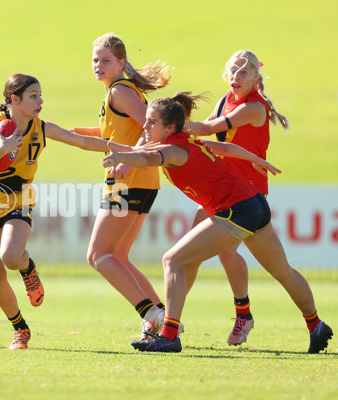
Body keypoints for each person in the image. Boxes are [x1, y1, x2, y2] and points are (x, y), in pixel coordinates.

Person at [101, 92, 333, 353]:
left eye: (151, 122)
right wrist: (254, 159)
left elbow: (147, 159)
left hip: (237, 210)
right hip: (255, 203)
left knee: (173, 260)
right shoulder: (188, 140)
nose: (145, 126)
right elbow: (223, 148)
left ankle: (168, 335)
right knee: (283, 272)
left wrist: (122, 156)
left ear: (170, 127)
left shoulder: (173, 149)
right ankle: (316, 324)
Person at [0, 73, 161, 349]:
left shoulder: (41, 128)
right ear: (14, 100)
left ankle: (27, 268)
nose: (40, 101)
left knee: (10, 257)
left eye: (40, 95)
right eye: (33, 96)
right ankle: (20, 329)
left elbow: (83, 142)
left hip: (18, 200)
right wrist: (3, 148)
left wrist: (129, 151)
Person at [184, 50, 290, 346]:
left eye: (243, 72)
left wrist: (168, 123)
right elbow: (200, 135)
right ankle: (171, 319)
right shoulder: (223, 101)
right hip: (219, 188)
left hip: (247, 194)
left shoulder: (254, 107)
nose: (235, 77)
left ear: (256, 77)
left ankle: (246, 315)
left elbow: (206, 129)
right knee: (189, 254)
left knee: (232, 255)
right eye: (232, 70)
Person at [71, 33, 173, 338]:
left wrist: (129, 160)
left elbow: (152, 128)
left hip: (128, 181)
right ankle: (161, 320)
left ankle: (151, 313)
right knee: (119, 256)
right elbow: (122, 131)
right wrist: (74, 134)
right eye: (95, 60)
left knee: (98, 256)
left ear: (121, 62)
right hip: (141, 182)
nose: (98, 65)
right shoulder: (118, 92)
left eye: (105, 60)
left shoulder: (119, 91)